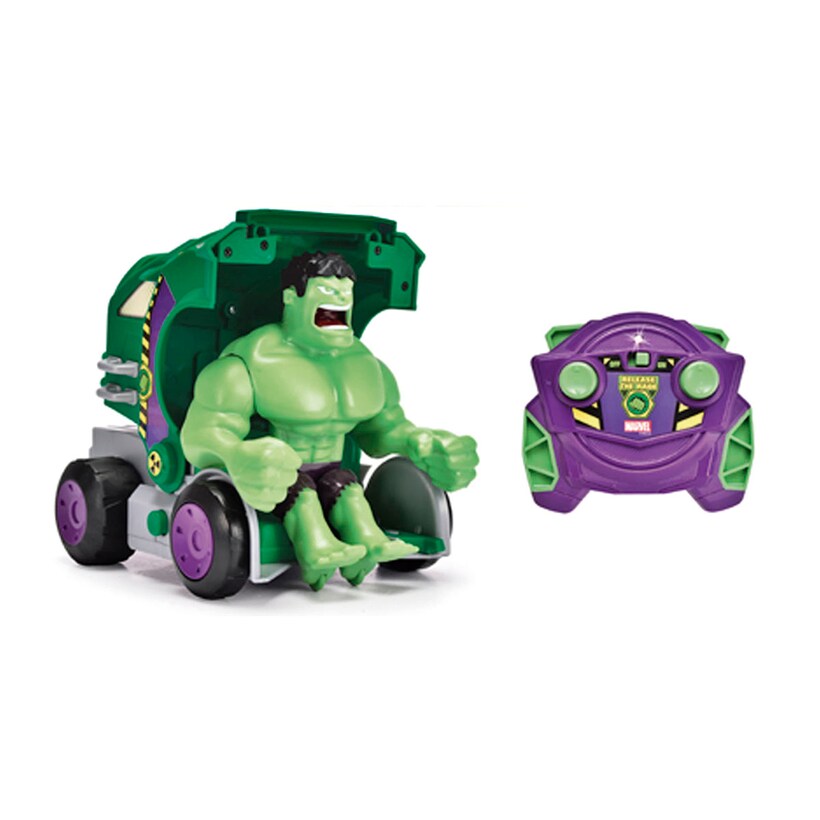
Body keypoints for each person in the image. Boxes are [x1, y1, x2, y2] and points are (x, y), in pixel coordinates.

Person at [181, 251, 478, 589]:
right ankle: (317, 548)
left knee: (350, 493)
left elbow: (383, 430)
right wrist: (235, 456)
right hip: (280, 480)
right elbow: (202, 433)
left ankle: (371, 540)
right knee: (304, 498)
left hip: (334, 473)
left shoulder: (364, 363)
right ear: (291, 297)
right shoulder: (250, 360)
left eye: (344, 289)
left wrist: (420, 442)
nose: (339, 297)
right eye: (327, 289)